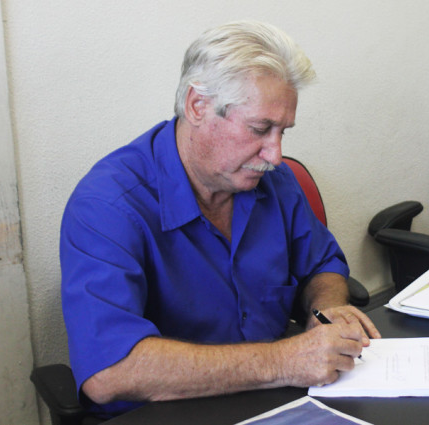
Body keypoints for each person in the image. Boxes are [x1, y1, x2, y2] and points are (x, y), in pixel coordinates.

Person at [60, 20, 380, 417]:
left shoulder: (272, 181)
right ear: (197, 106)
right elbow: (109, 371)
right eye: (260, 129)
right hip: (167, 412)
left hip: (275, 399)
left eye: (283, 132)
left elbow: (321, 264)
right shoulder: (107, 206)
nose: (275, 154)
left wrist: (327, 309)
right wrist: (283, 361)